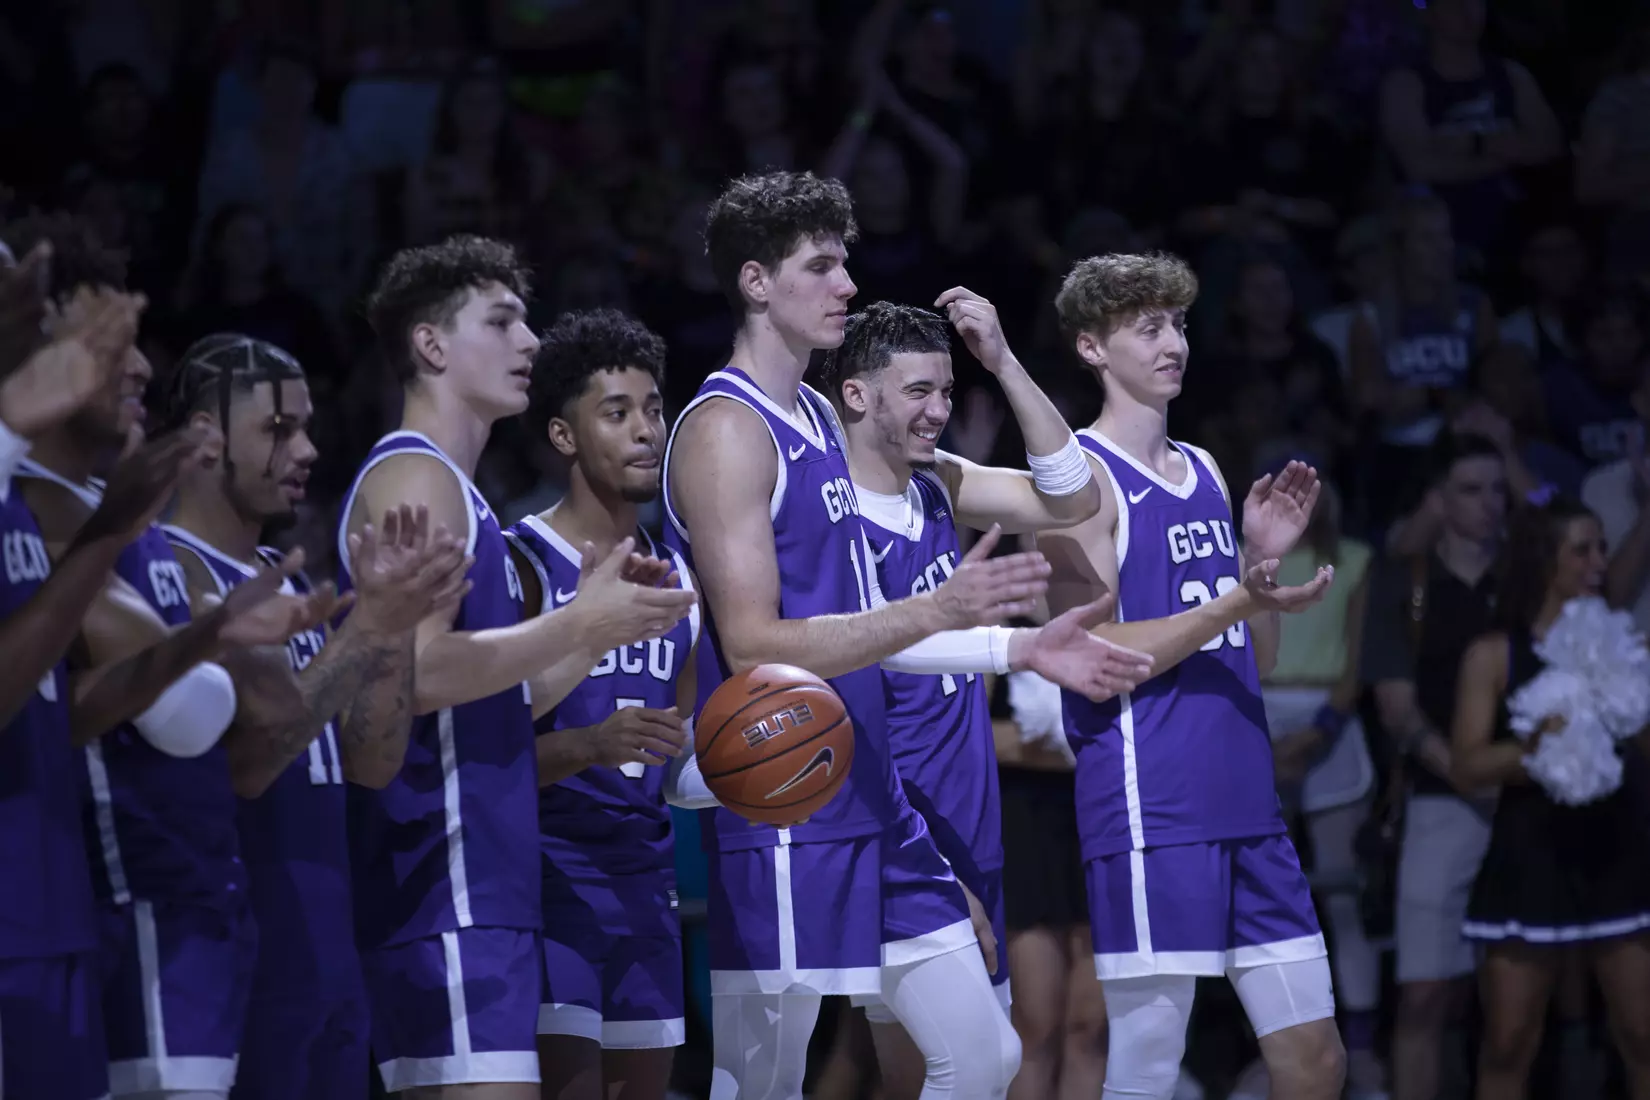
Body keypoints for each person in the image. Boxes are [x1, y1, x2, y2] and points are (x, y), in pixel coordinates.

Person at [660, 170, 1151, 1100]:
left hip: (875, 793)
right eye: (823, 265)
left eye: (845, 263)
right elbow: (758, 639)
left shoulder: (813, 416)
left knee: (986, 1056)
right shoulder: (727, 429)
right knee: (762, 1084)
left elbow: (1068, 498)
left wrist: (1016, 649)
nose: (848, 284)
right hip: (783, 792)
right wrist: (942, 609)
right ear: (758, 283)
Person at [338, 236, 698, 1098]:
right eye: (502, 322)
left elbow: (496, 701)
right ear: (432, 346)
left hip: (491, 891)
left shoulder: (460, 492)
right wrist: (583, 623)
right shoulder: (415, 479)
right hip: (442, 886)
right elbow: (416, 674)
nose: (530, 343)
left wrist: (587, 638)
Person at [9, 215, 354, 1099]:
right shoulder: (63, 512)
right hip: (130, 904)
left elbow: (100, 700)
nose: (135, 367)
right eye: (104, 343)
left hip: (187, 909)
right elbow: (214, 712)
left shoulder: (116, 515)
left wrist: (207, 638)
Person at [817, 293, 1154, 1097]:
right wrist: (933, 868)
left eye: (944, 391)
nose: (939, 410)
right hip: (900, 828)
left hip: (975, 820)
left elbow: (1076, 497)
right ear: (857, 396)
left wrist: (1001, 360)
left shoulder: (940, 483)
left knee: (938, 1074)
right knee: (969, 1065)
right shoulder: (828, 516)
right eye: (918, 392)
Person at [1035, 251, 1344, 1100]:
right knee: (1146, 1068)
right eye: (1149, 327)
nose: (1173, 343)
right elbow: (1097, 656)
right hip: (1152, 809)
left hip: (1250, 806)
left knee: (1316, 1062)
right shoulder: (1079, 484)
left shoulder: (1206, 469)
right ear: (1093, 347)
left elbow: (1258, 659)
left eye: (1178, 324)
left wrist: (1259, 572)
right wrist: (1235, 601)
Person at [157, 333, 472, 1100]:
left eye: (305, 426)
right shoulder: (174, 572)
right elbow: (258, 758)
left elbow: (372, 761)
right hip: (242, 950)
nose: (305, 449)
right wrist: (368, 629)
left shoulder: (281, 577)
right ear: (205, 438)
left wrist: (395, 620)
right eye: (276, 430)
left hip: (329, 949)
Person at [501, 309, 699, 1100]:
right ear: (563, 436)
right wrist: (588, 745)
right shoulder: (520, 564)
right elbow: (483, 756)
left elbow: (682, 744)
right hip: (547, 875)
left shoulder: (679, 571)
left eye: (653, 409)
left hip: (646, 878)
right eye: (616, 413)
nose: (646, 430)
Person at [1451, 496, 1650, 1099]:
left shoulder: (1629, 645)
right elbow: (1467, 766)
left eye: (1601, 549)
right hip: (1531, 858)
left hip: (1617, 852)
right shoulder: (1494, 654)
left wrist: (1626, 710)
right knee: (1510, 1041)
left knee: (1642, 1034)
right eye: (1581, 550)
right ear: (1545, 561)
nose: (1598, 562)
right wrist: (1537, 746)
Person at [1362, 432, 1506, 1100]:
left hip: (1529, 806)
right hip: (1440, 803)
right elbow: (1397, 711)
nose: (1489, 505)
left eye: (1497, 489)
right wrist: (1469, 772)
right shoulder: (1406, 584)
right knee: (1423, 995)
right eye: (1471, 491)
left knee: (1512, 1002)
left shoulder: (1526, 577)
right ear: (1439, 502)